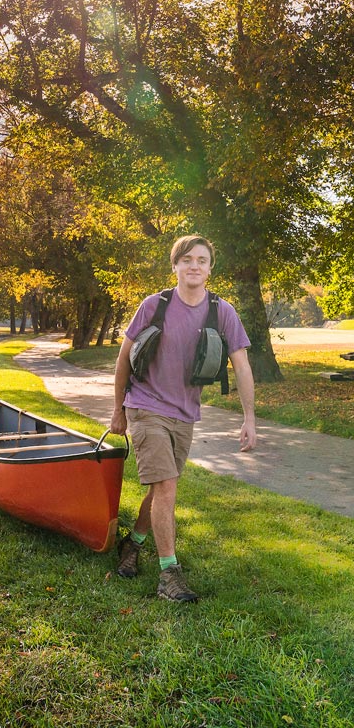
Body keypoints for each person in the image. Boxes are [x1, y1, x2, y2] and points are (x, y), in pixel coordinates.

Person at [110, 235, 256, 602]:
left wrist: (250, 417)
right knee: (168, 487)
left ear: (210, 269)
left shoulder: (222, 311)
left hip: (185, 413)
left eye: (202, 260)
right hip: (145, 406)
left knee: (161, 487)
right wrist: (118, 410)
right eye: (187, 259)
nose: (194, 266)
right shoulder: (153, 305)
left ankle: (134, 543)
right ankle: (169, 577)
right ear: (174, 265)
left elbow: (241, 365)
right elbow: (124, 360)